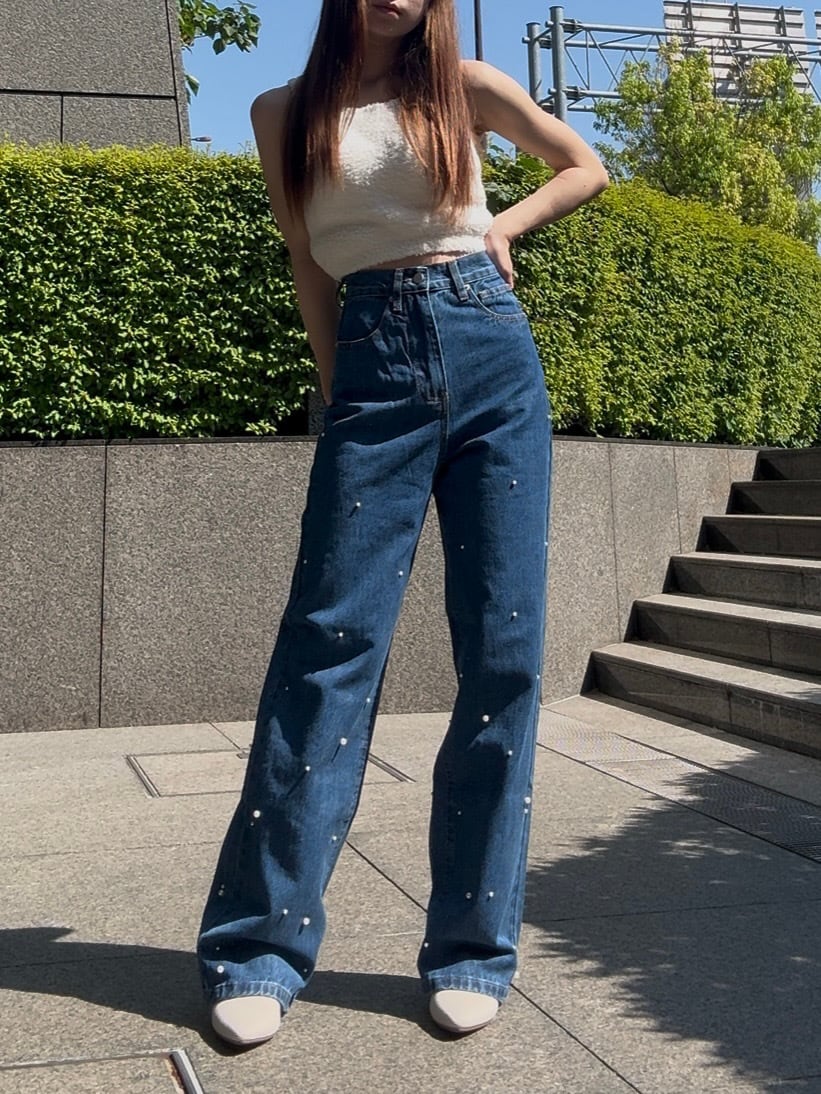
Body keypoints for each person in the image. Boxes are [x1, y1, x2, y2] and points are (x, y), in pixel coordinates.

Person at [196, 0, 608, 1047]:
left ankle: (471, 947)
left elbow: (583, 165)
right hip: (372, 354)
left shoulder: (461, 87)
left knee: (503, 652)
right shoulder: (281, 110)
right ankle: (258, 946)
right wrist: (340, 388)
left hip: (489, 347)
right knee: (326, 643)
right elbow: (306, 259)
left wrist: (500, 227)